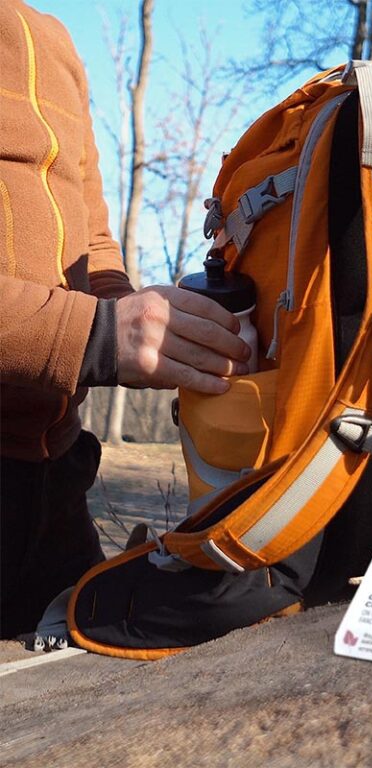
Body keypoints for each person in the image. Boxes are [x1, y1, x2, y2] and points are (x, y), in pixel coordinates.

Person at [0, 0, 250, 638]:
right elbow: (92, 333)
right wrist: (95, 337)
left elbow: (94, 235)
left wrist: (140, 318)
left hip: (57, 484)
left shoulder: (51, 38)